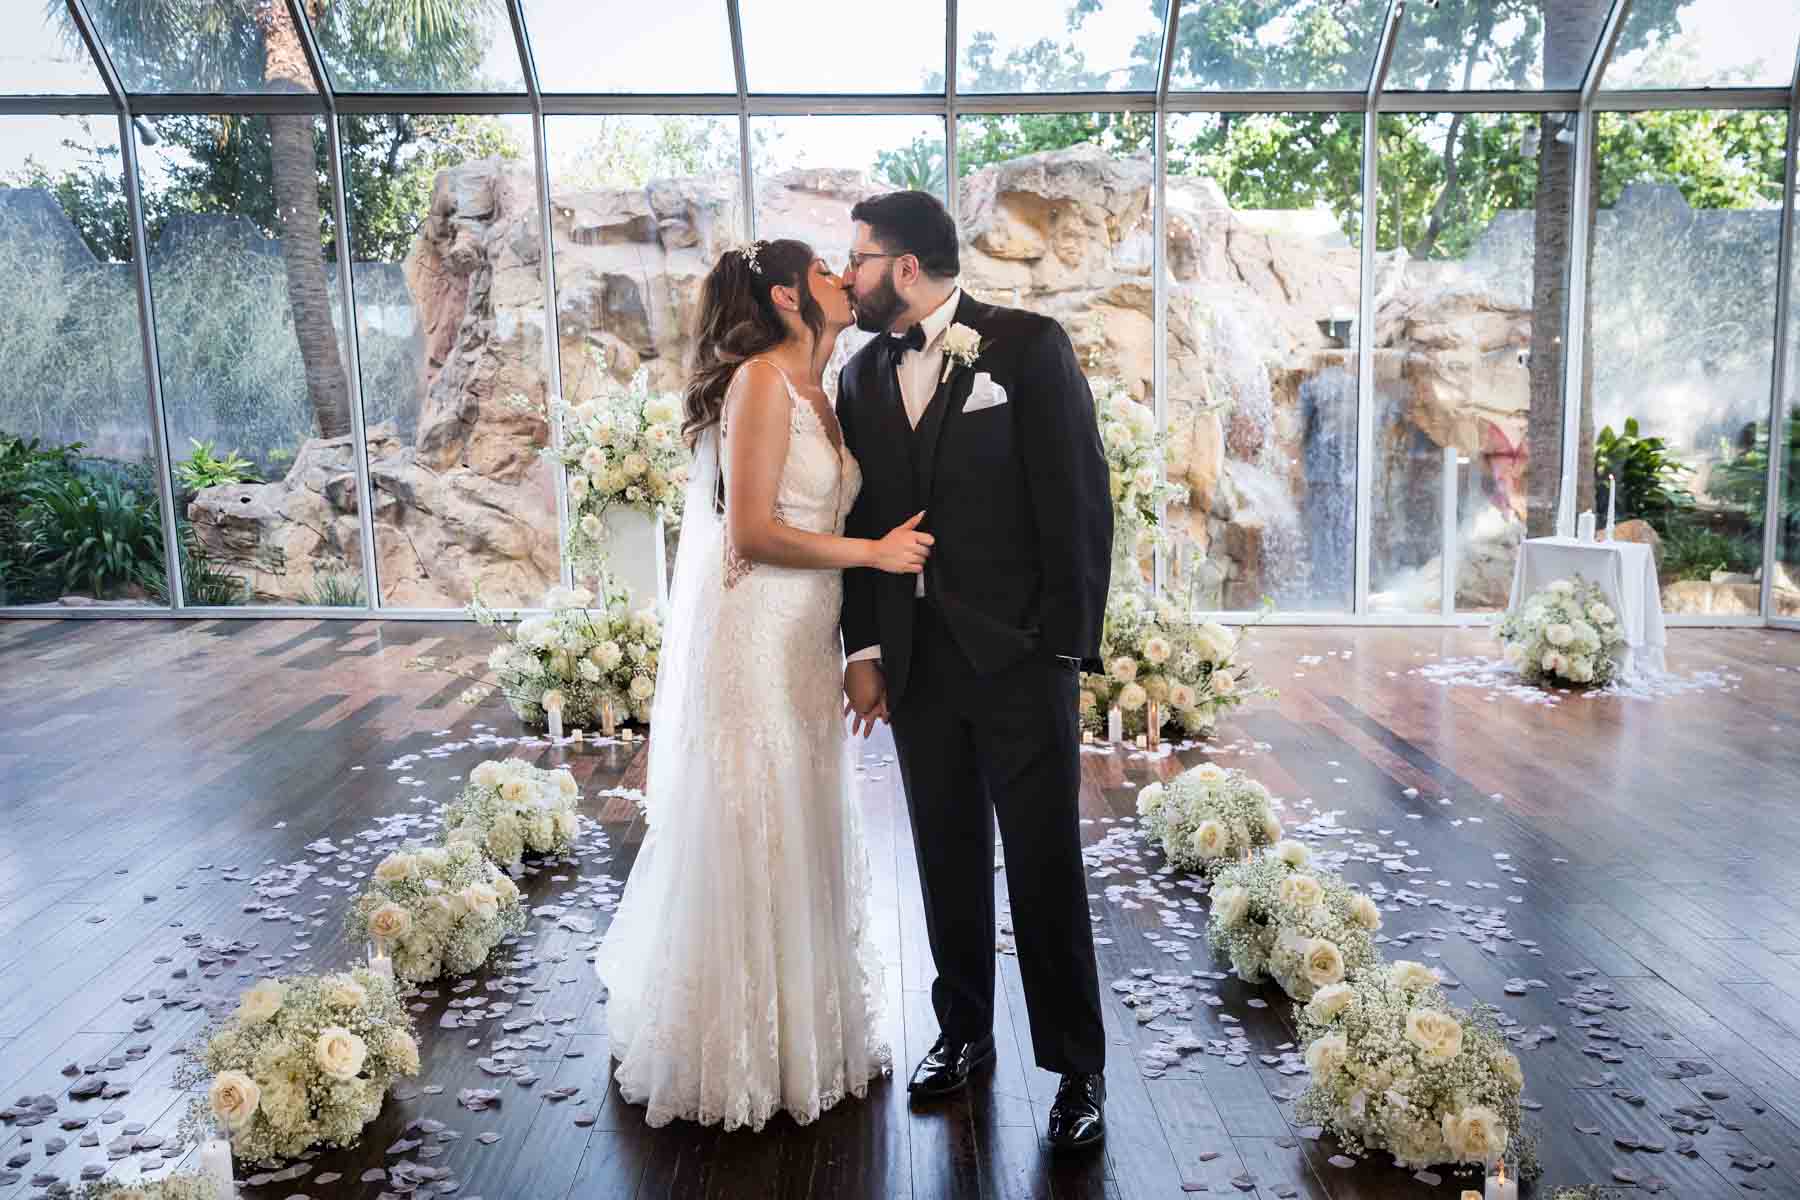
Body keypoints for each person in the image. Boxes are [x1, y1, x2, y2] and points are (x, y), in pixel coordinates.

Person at [594, 237, 930, 1131]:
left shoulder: (831, 385)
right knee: (755, 813)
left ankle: (802, 1037)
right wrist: (874, 550)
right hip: (752, 633)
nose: (843, 281)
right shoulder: (759, 384)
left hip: (809, 637)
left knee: (803, 811)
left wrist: (861, 652)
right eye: (827, 271)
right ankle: (734, 1045)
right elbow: (748, 532)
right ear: (788, 295)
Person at [836, 191, 1114, 1150]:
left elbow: (1078, 500)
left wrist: (1065, 646)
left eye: (860, 257)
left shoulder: (1028, 349)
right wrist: (864, 652)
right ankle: (963, 1034)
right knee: (943, 853)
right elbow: (861, 524)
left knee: (1045, 866)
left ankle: (1078, 1070)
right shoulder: (861, 374)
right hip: (916, 667)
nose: (849, 275)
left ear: (906, 267)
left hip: (1020, 659)